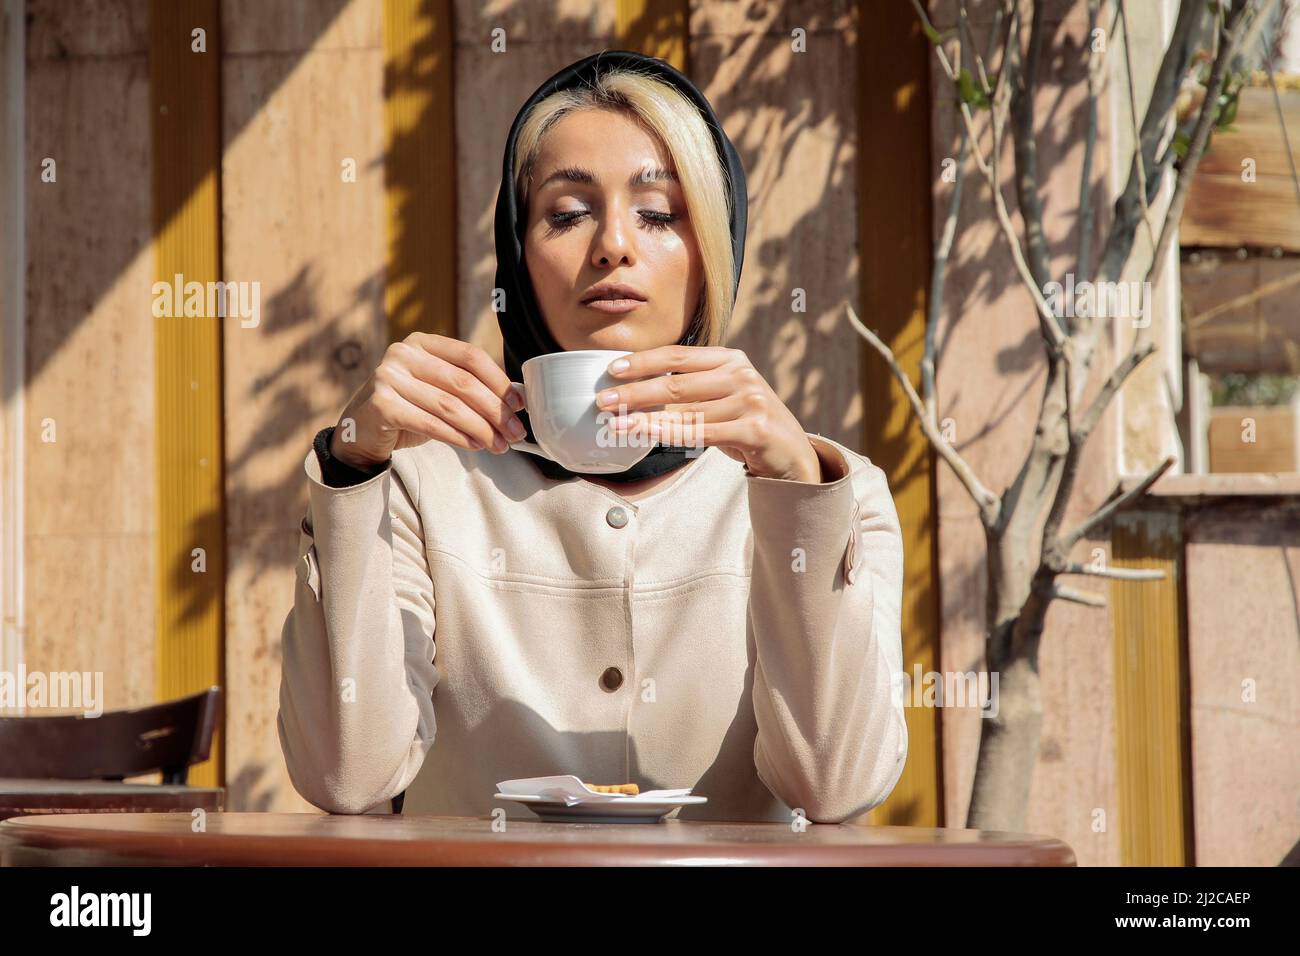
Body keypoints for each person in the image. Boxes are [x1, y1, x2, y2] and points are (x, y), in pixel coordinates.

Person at [277, 50, 907, 824]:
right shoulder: (418, 482)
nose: (613, 245)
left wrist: (794, 490)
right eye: (569, 213)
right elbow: (348, 776)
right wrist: (349, 469)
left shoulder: (829, 489)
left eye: (660, 213)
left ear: (714, 251)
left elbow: (835, 784)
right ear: (518, 255)